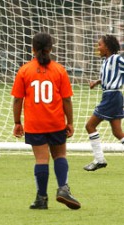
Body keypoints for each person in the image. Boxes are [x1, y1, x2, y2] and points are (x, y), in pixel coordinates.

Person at [11, 32, 81, 210]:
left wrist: (17, 122)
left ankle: (42, 198)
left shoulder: (24, 70)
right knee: (60, 155)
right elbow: (66, 99)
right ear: (51, 48)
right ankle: (63, 189)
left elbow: (18, 99)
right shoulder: (59, 70)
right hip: (56, 122)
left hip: (35, 124)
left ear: (33, 49)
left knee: (41, 159)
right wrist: (70, 122)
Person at [84, 34, 124, 171]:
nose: (98, 47)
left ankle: (99, 159)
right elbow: (111, 76)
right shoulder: (106, 61)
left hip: (111, 96)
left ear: (107, 47)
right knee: (118, 133)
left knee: (90, 126)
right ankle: (99, 159)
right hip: (113, 96)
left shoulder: (116, 59)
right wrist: (97, 81)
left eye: (100, 45)